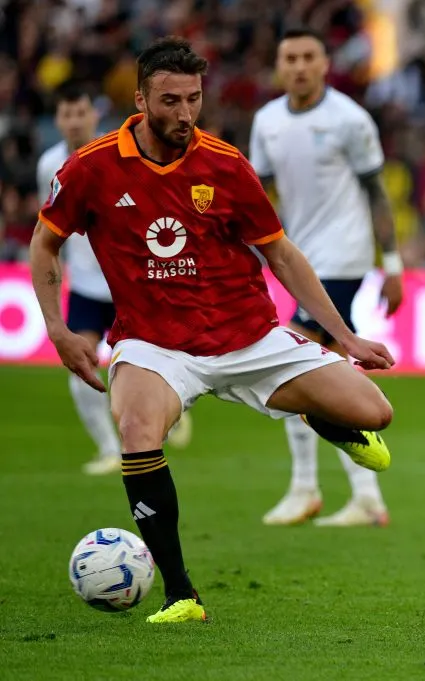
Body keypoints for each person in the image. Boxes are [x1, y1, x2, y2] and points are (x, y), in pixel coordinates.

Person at [30, 37, 395, 624]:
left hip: (249, 336)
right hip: (155, 345)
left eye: (193, 100)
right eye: (170, 100)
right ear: (141, 98)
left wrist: (345, 337)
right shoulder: (91, 167)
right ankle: (181, 595)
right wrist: (57, 327)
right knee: (137, 427)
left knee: (375, 412)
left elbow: (281, 256)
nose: (183, 114)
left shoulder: (225, 164)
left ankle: (326, 417)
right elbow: (44, 243)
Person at [249, 27, 402, 528]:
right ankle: (367, 496)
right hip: (301, 256)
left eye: (307, 56)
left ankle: (305, 487)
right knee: (325, 371)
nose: (298, 66)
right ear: (279, 64)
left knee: (293, 358)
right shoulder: (267, 121)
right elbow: (257, 195)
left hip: (345, 254)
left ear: (324, 63)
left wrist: (393, 262)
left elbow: (377, 192)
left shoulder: (350, 120)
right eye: (288, 56)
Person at [37, 82, 194, 475]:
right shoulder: (48, 166)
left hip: (132, 285)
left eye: (81, 113)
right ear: (58, 120)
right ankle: (111, 450)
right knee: (82, 370)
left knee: (160, 367)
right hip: (88, 287)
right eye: (66, 115)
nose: (74, 122)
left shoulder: (118, 155)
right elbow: (49, 231)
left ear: (94, 115)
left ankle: (171, 411)